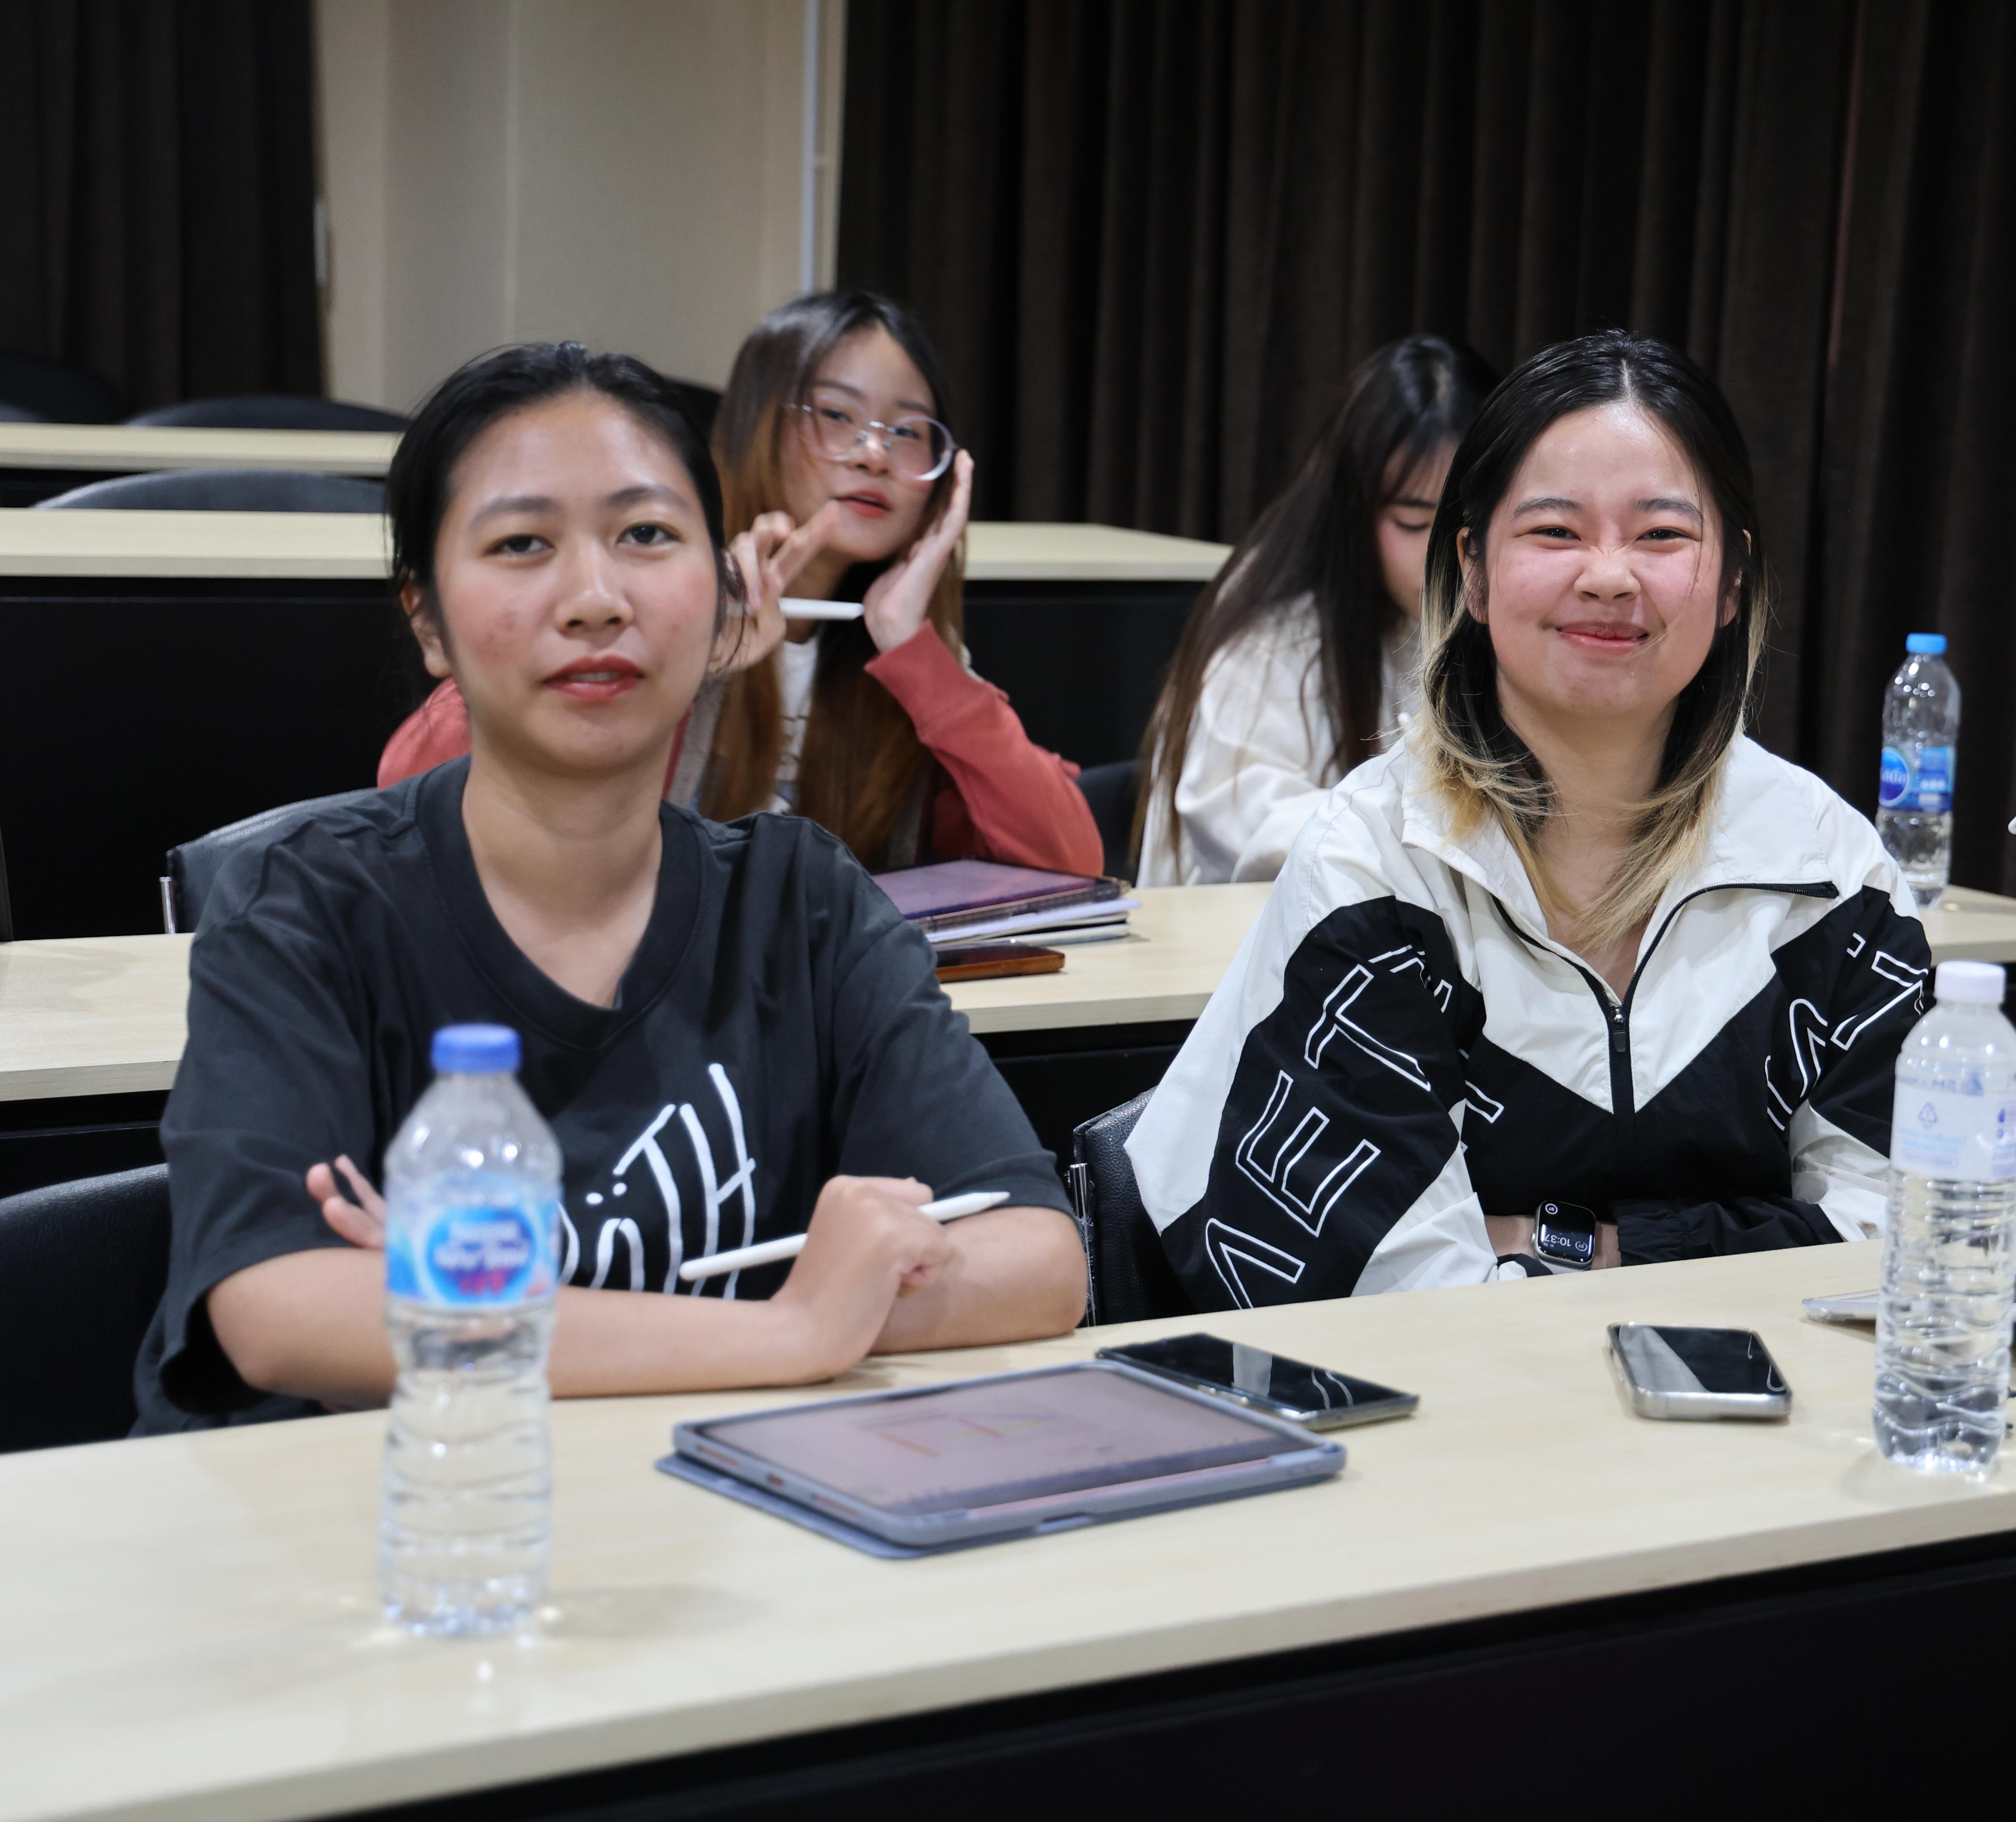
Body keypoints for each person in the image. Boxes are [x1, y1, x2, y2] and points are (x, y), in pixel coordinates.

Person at [138, 343, 1086, 1433]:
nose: (595, 599)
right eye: (521, 543)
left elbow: (1036, 1259)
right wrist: (792, 1326)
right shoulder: (303, 903)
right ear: (428, 619)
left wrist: (451, 1312)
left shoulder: (803, 901)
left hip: (706, 1505)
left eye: (646, 535)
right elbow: (282, 1311)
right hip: (387, 1505)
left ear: (724, 595)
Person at [1125, 331, 1933, 1304]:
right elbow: (1403, 1291)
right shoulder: (1377, 863)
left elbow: (1900, 1249)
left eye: (1662, 536)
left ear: (1732, 583)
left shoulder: (1831, 872)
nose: (1609, 575)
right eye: (1555, 532)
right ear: (1471, 567)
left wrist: (1581, 1245)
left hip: (1764, 1397)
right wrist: (1734, 1243)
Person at [380, 291, 1103, 877]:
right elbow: (414, 800)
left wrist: (920, 656)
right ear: (758, 422)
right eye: (837, 416)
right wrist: (694, 655)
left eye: (909, 432)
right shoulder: (652, 604)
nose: (874, 454)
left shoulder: (912, 659)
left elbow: (1069, 858)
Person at [1134, 335, 1497, 886]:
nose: (1445, 556)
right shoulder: (1275, 627)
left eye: (1471, 526)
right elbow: (1249, 826)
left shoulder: (1487, 615)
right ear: (1354, 509)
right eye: (1414, 523)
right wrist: (1433, 820)